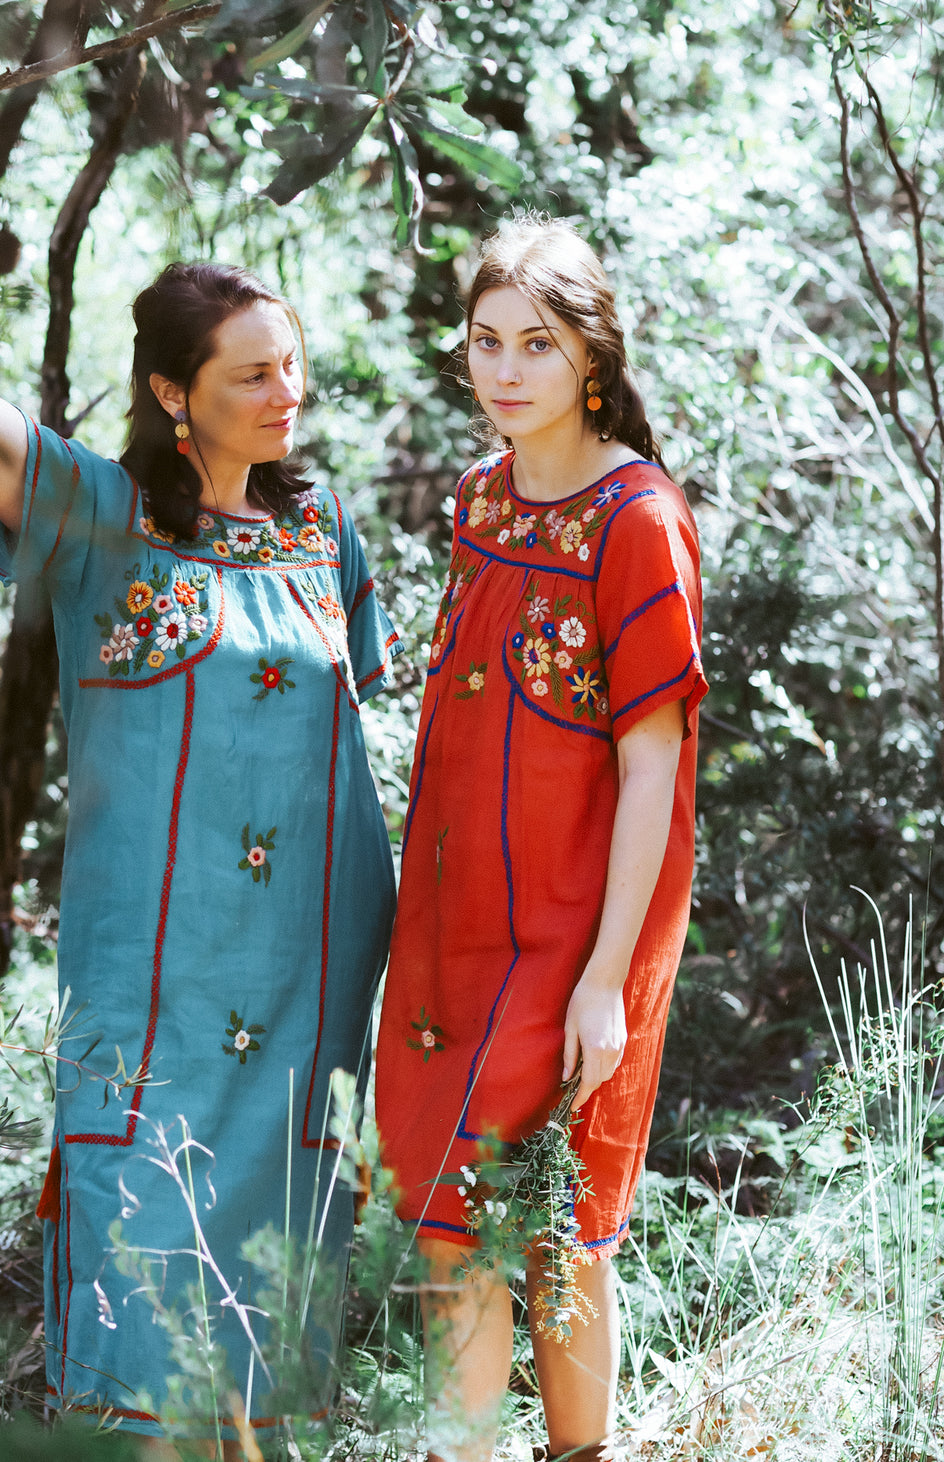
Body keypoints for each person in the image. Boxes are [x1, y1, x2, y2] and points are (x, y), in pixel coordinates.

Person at [0, 79, 402, 1452]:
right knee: (145, 1263)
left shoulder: (323, 528)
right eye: (251, 374)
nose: (288, 393)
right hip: (153, 984)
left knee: (274, 1300)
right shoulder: (100, 518)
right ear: (172, 392)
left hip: (310, 985)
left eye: (292, 364)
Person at [374, 213, 707, 1462]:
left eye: (537, 345)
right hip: (453, 925)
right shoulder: (479, 496)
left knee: (559, 1230)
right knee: (449, 1227)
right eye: (486, 341)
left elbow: (653, 762)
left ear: (592, 358)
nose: (505, 370)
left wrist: (607, 980)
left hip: (578, 934)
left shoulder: (638, 518)